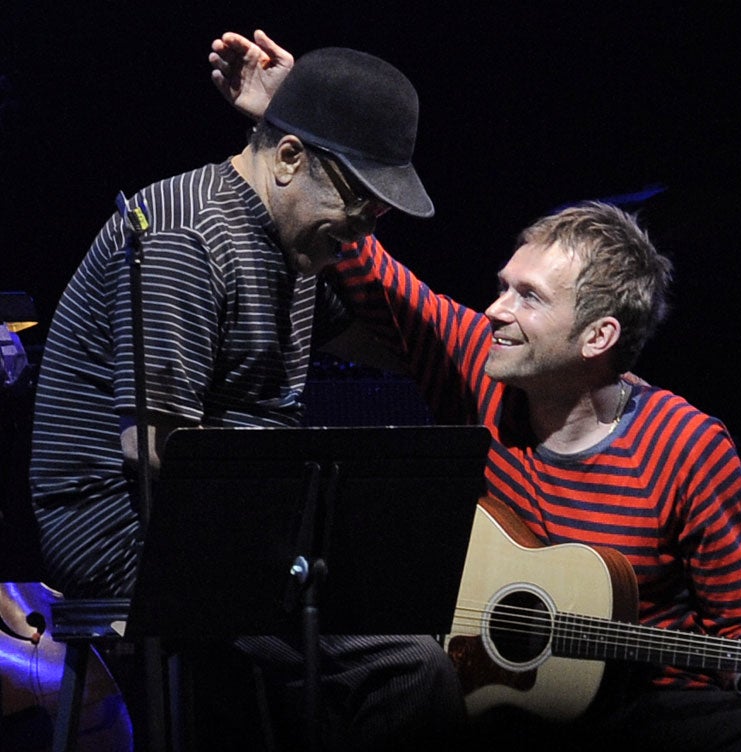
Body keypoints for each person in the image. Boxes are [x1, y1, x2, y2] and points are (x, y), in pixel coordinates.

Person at [210, 31, 741, 752]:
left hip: (645, 715)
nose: (495, 311)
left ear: (597, 338)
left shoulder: (688, 445)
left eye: (528, 298)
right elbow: (364, 262)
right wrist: (297, 116)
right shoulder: (476, 363)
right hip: (499, 703)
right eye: (503, 287)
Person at [30, 42, 464, 751]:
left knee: (420, 611)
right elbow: (160, 452)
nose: (361, 233)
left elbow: (391, 341)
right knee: (407, 667)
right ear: (289, 159)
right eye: (358, 205)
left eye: (376, 217)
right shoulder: (189, 235)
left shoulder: (286, 243)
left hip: (224, 517)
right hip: (128, 528)